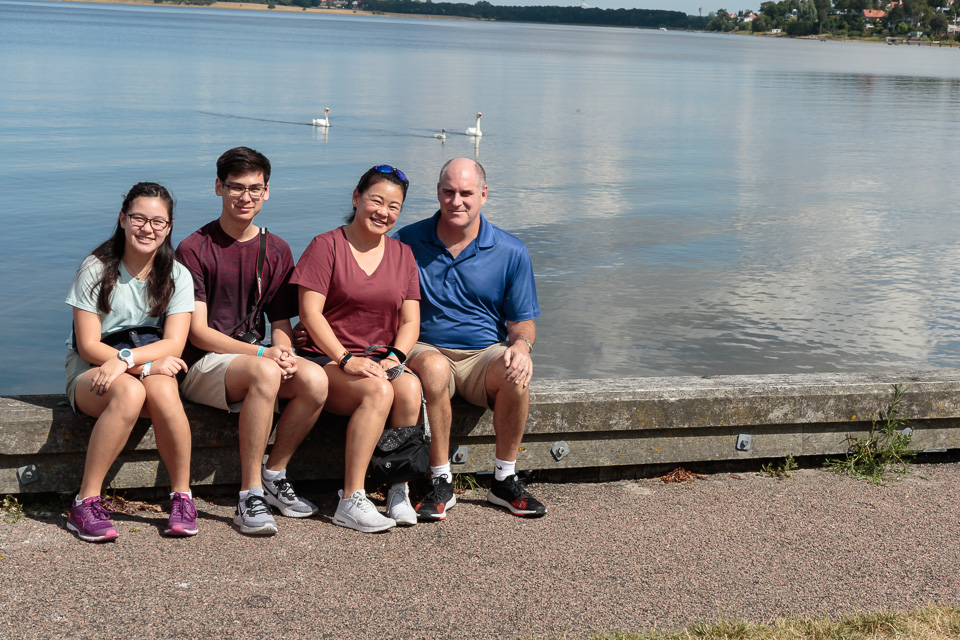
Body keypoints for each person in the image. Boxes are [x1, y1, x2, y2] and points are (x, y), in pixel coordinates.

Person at [175, 147, 328, 536]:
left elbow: (280, 321)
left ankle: (274, 474)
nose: (245, 197)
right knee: (265, 371)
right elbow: (198, 332)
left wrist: (285, 352)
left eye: (255, 189)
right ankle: (249, 495)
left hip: (252, 358)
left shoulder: (276, 249)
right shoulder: (194, 248)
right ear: (218, 188)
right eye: (236, 187)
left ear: (267, 192)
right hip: (203, 363)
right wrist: (264, 353)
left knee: (315, 380)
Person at [394, 157, 547, 520]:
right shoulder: (405, 242)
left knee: (515, 372)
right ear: (437, 193)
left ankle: (504, 480)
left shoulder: (511, 250)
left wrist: (521, 347)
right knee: (433, 367)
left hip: (483, 354)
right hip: (426, 348)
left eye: (466, 193)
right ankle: (440, 481)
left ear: (483, 194)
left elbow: (522, 322)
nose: (456, 201)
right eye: (448, 192)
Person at [292, 165, 422, 533]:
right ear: (356, 198)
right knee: (379, 391)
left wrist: (395, 357)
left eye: (394, 207)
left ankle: (398, 486)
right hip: (327, 359)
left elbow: (410, 321)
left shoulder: (402, 254)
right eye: (376, 201)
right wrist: (345, 359)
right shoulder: (326, 245)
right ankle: (351, 498)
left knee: (410, 388)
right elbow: (309, 313)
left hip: (380, 359)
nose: (384, 212)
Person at [65, 182, 196, 542]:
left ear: (169, 227)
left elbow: (174, 343)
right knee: (130, 393)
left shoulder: (177, 275)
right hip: (92, 366)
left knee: (164, 391)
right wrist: (137, 366)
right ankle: (85, 501)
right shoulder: (95, 268)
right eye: (138, 218)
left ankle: (182, 497)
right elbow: (88, 345)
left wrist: (129, 362)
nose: (147, 228)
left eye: (158, 222)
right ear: (122, 219)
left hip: (140, 358)